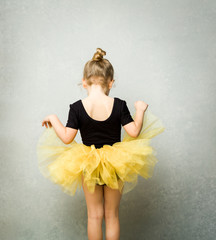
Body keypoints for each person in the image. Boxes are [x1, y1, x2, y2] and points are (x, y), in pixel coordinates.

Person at [36, 48, 165, 240]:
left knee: (94, 216)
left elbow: (66, 138)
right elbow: (134, 132)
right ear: (111, 82)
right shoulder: (120, 104)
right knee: (112, 215)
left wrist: (53, 118)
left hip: (89, 164)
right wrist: (140, 110)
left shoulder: (77, 108)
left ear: (84, 82)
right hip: (116, 164)